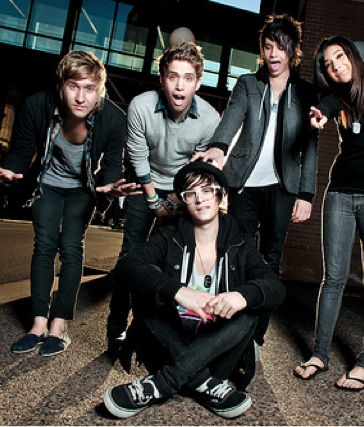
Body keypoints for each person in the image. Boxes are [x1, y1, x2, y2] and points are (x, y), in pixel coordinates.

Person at [0, 50, 134, 356]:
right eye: (73, 86)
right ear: (61, 85)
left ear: (99, 91)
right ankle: (37, 325)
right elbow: (21, 151)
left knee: (71, 248)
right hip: (46, 184)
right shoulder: (37, 105)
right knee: (44, 246)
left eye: (89, 89)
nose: (80, 97)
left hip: (83, 188)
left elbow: (113, 164)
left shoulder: (113, 118)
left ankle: (59, 326)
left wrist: (111, 186)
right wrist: (8, 171)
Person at [103, 160, 285, 419]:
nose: (200, 199)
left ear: (221, 195)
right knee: (146, 293)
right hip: (170, 345)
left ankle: (161, 384)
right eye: (191, 193)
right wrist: (178, 291)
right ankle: (203, 382)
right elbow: (127, 266)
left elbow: (275, 288)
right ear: (184, 201)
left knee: (250, 308)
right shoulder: (169, 237)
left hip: (217, 348)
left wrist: (242, 296)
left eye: (207, 190)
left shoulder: (241, 242)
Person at [191, 13, 318, 348]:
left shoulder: (306, 92)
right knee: (236, 254)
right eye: (268, 46)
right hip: (244, 183)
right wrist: (218, 147)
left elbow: (310, 146)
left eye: (280, 47)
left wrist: (306, 193)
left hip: (282, 186)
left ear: (293, 50)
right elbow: (232, 116)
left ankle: (254, 335)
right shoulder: (249, 83)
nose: (273, 54)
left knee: (270, 260)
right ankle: (229, 329)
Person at [292, 36, 364, 391]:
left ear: (352, 55)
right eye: (327, 64)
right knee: (333, 278)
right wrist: (321, 112)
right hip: (339, 193)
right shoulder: (337, 96)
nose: (335, 66)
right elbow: (328, 102)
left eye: (339, 57)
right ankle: (319, 355)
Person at [106, 41, 221, 351]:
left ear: (198, 82)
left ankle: (151, 331)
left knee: (172, 260)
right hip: (145, 182)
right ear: (162, 79)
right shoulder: (141, 106)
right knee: (131, 255)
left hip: (182, 190)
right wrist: (154, 201)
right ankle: (116, 325)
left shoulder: (210, 119)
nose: (179, 86)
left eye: (188, 78)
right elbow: (138, 157)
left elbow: (195, 169)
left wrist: (173, 202)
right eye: (173, 76)